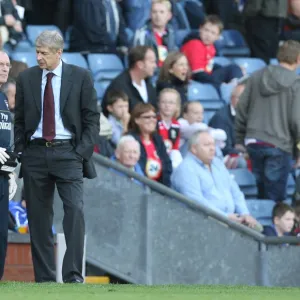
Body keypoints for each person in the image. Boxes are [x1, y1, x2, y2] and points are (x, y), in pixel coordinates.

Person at [14, 30, 100, 283]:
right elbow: (19, 119)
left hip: (68, 153)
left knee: (75, 211)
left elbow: (91, 118)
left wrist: (80, 152)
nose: (39, 57)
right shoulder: (27, 78)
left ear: (59, 52)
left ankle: (73, 276)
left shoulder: (81, 76)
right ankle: (45, 279)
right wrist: (22, 149)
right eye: (37, 52)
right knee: (38, 219)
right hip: (35, 153)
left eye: (44, 53)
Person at [235, 40, 300, 202]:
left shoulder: (256, 75)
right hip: (279, 145)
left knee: (260, 196)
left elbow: (241, 108)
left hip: (253, 143)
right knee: (274, 201)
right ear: (298, 59)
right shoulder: (297, 83)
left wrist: (239, 139)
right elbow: (296, 120)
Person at [171, 130, 260, 229]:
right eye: (207, 145)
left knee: (258, 229)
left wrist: (244, 213)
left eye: (213, 144)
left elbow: (235, 191)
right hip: (201, 224)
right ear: (194, 149)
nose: (212, 148)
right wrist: (224, 217)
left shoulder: (218, 163)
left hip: (229, 221)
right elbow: (196, 202)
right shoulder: (186, 168)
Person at [181, 15, 243, 91]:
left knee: (235, 68)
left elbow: (208, 65)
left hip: (205, 76)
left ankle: (235, 87)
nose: (208, 35)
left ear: (218, 36)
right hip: (194, 79)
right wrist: (220, 84)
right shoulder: (195, 44)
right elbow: (197, 73)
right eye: (206, 30)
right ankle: (232, 90)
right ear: (200, 29)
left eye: (213, 33)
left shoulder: (211, 46)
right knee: (232, 70)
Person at [0, 51, 18, 281]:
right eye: (0, 64)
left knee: (2, 235)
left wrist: (11, 172)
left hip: (2, 176)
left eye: (7, 64)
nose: (4, 68)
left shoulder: (3, 98)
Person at [101, 46, 157, 117]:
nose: (155, 66)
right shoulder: (119, 86)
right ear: (140, 64)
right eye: (152, 62)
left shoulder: (149, 85)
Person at [128, 103, 172, 187]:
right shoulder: (130, 140)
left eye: (154, 117)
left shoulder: (158, 139)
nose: (152, 120)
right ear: (137, 120)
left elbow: (167, 164)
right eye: (147, 117)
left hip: (160, 189)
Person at [209, 83, 248, 169]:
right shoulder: (221, 117)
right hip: (223, 157)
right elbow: (225, 147)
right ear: (232, 98)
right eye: (240, 97)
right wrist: (243, 152)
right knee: (242, 162)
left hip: (245, 152)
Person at [133, 0, 177, 67]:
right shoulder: (142, 35)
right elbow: (139, 63)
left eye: (161, 12)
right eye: (154, 12)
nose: (158, 15)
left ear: (169, 15)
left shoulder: (171, 33)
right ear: (150, 15)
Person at [157, 88, 182, 168]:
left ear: (177, 106)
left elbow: (175, 148)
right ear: (158, 104)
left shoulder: (176, 125)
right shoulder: (154, 121)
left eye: (171, 103)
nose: (167, 105)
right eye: (163, 102)